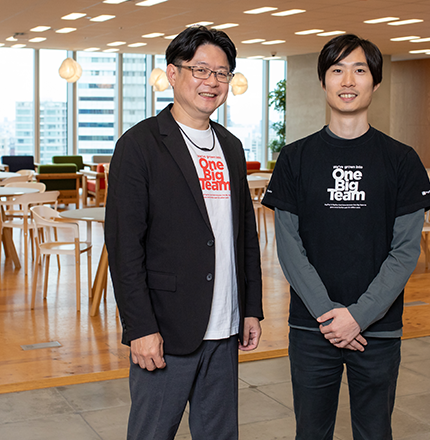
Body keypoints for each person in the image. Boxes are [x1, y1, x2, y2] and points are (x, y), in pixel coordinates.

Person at [262, 34, 430, 440]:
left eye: (359, 70)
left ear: (375, 82)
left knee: (375, 432)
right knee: (311, 432)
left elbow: (405, 251)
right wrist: (329, 316)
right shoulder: (295, 158)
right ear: (323, 81)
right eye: (337, 70)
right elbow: (289, 248)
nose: (347, 80)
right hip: (312, 328)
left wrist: (358, 316)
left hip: (378, 330)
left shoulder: (401, 160)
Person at [105, 26, 263, 440]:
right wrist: (140, 327)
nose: (212, 82)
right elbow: (124, 247)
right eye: (201, 70)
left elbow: (244, 236)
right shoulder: (139, 145)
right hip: (166, 329)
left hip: (225, 327)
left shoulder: (231, 146)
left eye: (222, 73)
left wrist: (251, 308)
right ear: (173, 74)